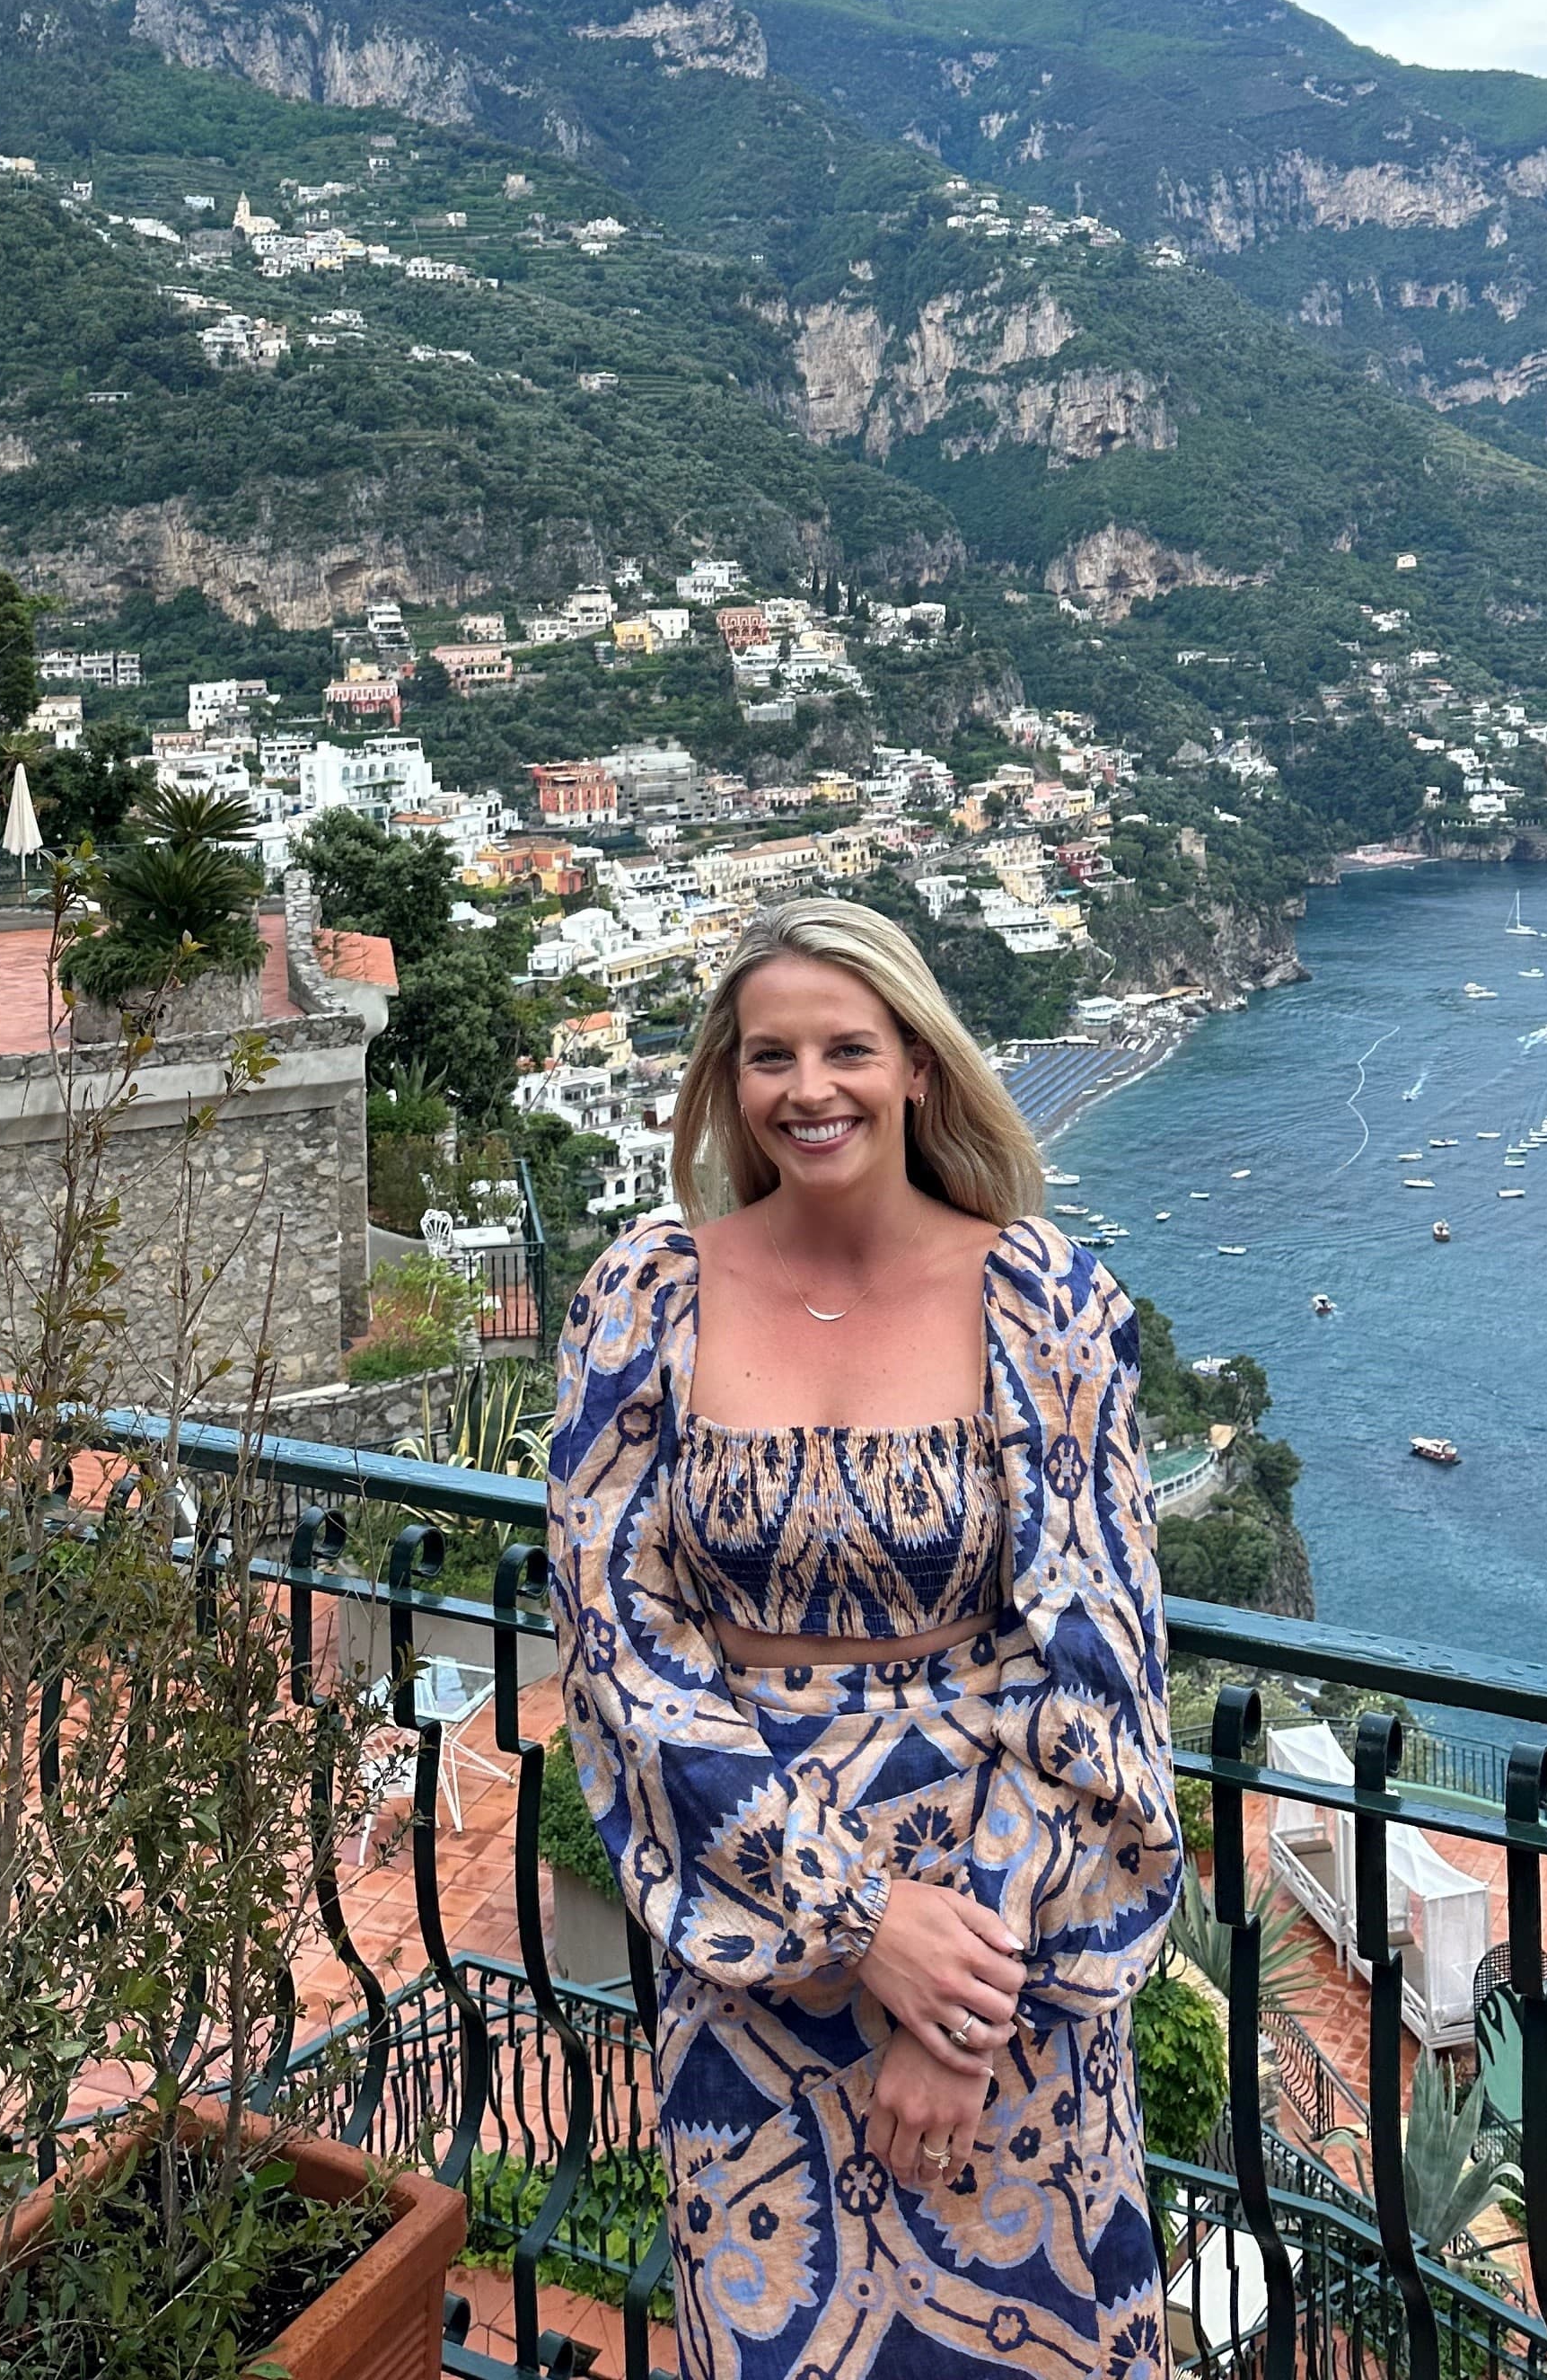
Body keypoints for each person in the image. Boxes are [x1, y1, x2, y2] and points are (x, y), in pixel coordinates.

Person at [549, 898, 1181, 2380]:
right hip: (752, 1946)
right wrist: (851, 1915)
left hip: (1002, 1946)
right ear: (725, 1080)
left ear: (914, 1062)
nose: (807, 1087)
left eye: (845, 1046)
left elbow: (1098, 1653)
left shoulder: (1045, 1303)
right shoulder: (644, 1299)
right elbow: (620, 1641)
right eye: (769, 1054)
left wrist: (956, 1995)